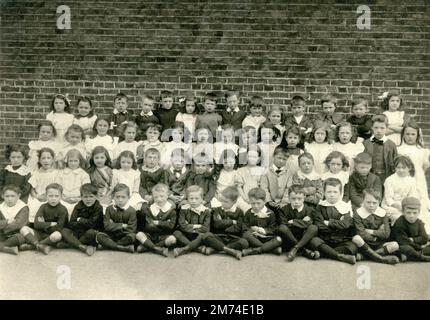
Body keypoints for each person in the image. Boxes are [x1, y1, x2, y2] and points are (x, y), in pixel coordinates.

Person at [309, 178, 357, 264]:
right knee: (314, 241)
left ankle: (324, 253)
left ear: (340, 193)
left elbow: (346, 224)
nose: (332, 195)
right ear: (324, 193)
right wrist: (338, 224)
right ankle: (340, 256)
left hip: (341, 239)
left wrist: (328, 222)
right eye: (329, 192)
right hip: (325, 239)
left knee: (353, 247)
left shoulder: (345, 207)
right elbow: (319, 224)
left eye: (335, 192)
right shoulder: (320, 206)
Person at [352, 189, 400, 264]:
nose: (371, 205)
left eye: (374, 203)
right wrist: (376, 236)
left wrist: (371, 231)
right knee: (356, 238)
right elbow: (361, 233)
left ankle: (364, 257)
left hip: (379, 244)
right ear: (363, 200)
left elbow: (386, 234)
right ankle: (381, 258)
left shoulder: (383, 213)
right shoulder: (358, 213)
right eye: (368, 202)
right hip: (365, 243)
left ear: (379, 202)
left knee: (395, 245)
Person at [277, 185, 320, 261]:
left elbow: (310, 224)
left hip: (304, 237)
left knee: (313, 228)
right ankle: (303, 250)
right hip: (290, 237)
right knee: (282, 228)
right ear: (289, 198)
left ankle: (296, 248)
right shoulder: (283, 210)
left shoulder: (310, 210)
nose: (296, 201)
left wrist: (293, 222)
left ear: (304, 198)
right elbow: (284, 225)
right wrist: (303, 222)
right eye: (293, 199)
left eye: (299, 199)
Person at [60, 184, 103, 256]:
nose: (88, 199)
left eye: (91, 196)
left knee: (92, 232)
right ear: (81, 197)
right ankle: (81, 246)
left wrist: (80, 220)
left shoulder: (98, 207)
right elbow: (71, 223)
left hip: (90, 233)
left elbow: (92, 224)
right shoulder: (78, 206)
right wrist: (84, 223)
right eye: (85, 197)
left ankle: (72, 244)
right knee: (64, 231)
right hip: (79, 232)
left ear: (96, 197)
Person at [136, 184, 176, 257]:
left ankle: (148, 246)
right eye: (156, 197)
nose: (159, 199)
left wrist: (158, 223)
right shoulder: (150, 208)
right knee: (139, 235)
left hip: (163, 236)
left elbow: (171, 226)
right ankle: (158, 249)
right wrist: (165, 223)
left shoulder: (171, 210)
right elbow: (148, 226)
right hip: (150, 235)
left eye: (162, 196)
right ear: (153, 197)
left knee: (172, 239)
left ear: (167, 196)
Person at [241, 187, 283, 256]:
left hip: (266, 238)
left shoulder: (270, 213)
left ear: (264, 201)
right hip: (254, 238)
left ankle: (254, 250)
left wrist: (261, 231)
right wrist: (252, 231)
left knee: (279, 239)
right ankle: (271, 249)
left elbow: (273, 229)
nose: (256, 206)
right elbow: (244, 227)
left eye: (258, 203)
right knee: (245, 235)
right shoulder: (249, 213)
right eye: (253, 203)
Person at [96, 184, 137, 253]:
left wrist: (113, 225)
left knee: (132, 237)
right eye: (117, 197)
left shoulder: (132, 211)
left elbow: (131, 229)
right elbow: (106, 226)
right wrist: (123, 225)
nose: (120, 200)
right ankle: (122, 248)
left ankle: (109, 245)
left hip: (125, 235)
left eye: (123, 197)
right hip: (111, 235)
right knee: (99, 236)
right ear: (113, 197)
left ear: (128, 197)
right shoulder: (109, 209)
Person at [391, 197, 430, 262]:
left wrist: (414, 239)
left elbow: (424, 238)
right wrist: (419, 246)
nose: (411, 216)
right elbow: (403, 241)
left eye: (415, 213)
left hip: (416, 247)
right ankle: (421, 257)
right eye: (408, 213)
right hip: (404, 246)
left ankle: (416, 255)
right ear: (403, 212)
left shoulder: (419, 222)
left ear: (419, 212)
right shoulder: (400, 223)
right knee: (405, 248)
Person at [363, 114, 397, 184]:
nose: (379, 131)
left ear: (386, 128)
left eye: (382, 128)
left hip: (386, 177)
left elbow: (395, 162)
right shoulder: (365, 143)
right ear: (372, 127)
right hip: (369, 177)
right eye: (376, 128)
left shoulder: (391, 145)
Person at [0, 185, 29, 255]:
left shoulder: (23, 207)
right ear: (2, 196)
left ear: (18, 196)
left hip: (15, 233)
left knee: (21, 237)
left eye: (13, 196)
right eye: (7, 196)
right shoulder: (1, 207)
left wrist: (3, 229)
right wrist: (7, 222)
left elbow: (19, 224)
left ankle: (3, 246)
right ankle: (6, 248)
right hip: (2, 234)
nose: (10, 199)